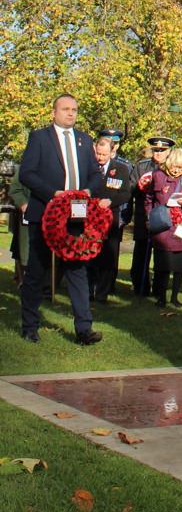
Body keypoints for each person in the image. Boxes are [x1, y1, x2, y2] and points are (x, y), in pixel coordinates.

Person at [18, 94, 105, 344]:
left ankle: (84, 328)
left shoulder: (84, 139)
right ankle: (30, 326)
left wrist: (88, 192)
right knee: (37, 270)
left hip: (76, 215)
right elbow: (27, 173)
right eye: (66, 109)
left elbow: (94, 174)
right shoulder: (39, 137)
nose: (71, 114)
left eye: (75, 110)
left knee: (77, 270)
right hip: (46, 212)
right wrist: (53, 194)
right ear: (54, 112)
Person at [145, 146, 182, 308]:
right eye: (173, 166)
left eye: (179, 167)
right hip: (163, 225)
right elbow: (149, 199)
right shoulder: (158, 175)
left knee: (180, 265)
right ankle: (161, 297)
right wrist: (150, 216)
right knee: (162, 265)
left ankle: (174, 297)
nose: (175, 170)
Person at [88, 136, 132, 303]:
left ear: (112, 152)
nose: (100, 158)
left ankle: (102, 294)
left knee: (107, 256)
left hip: (109, 219)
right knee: (89, 254)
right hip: (89, 218)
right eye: (98, 154)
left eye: (104, 155)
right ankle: (87, 293)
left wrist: (111, 202)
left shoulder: (120, 169)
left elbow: (126, 193)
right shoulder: (88, 167)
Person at [129, 137, 173, 296]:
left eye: (162, 150)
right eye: (156, 150)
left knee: (162, 254)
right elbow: (131, 187)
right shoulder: (142, 166)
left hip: (164, 216)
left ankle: (159, 290)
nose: (159, 153)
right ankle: (140, 288)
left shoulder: (172, 167)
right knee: (140, 254)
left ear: (168, 152)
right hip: (144, 215)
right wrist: (140, 185)